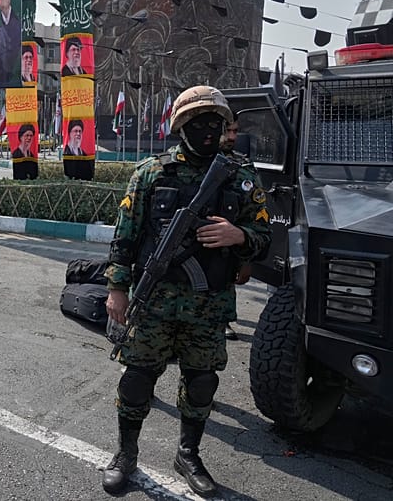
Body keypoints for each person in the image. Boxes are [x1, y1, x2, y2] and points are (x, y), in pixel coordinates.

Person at [101, 86, 271, 496]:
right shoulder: (150, 174)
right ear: (181, 127)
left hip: (209, 304)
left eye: (215, 123)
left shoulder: (242, 177)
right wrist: (117, 290)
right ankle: (126, 454)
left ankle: (188, 452)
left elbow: (265, 237)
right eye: (199, 123)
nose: (209, 131)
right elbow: (124, 238)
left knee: (201, 383)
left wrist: (237, 235)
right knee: (137, 380)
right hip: (155, 302)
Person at [220, 118, 251, 340]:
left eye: (235, 131)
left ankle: (224, 319)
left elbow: (254, 218)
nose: (232, 137)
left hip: (229, 239)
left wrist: (249, 259)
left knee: (226, 275)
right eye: (227, 131)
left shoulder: (243, 167)